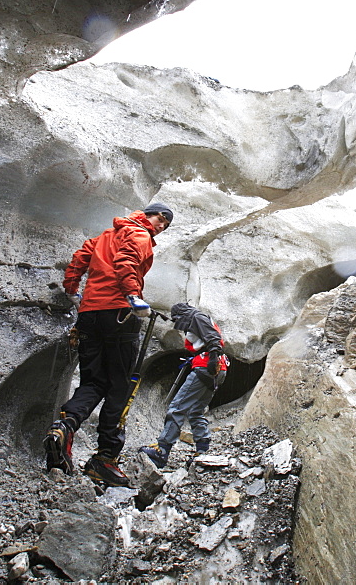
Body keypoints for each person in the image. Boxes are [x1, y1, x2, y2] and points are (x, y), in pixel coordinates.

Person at [44, 202, 174, 487]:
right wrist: (133, 296)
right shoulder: (140, 236)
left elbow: (79, 258)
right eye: (160, 218)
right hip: (119, 313)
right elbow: (126, 263)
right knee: (120, 386)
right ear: (146, 214)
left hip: (89, 315)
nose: (162, 225)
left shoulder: (104, 236)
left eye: (166, 224)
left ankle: (64, 428)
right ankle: (104, 460)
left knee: (93, 382)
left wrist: (72, 290)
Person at [140, 303, 229, 468]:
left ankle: (162, 450)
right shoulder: (201, 318)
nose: (176, 322)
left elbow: (213, 339)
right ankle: (202, 450)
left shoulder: (197, 317)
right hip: (219, 368)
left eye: (176, 318)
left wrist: (212, 357)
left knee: (177, 407)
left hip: (206, 366)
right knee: (196, 410)